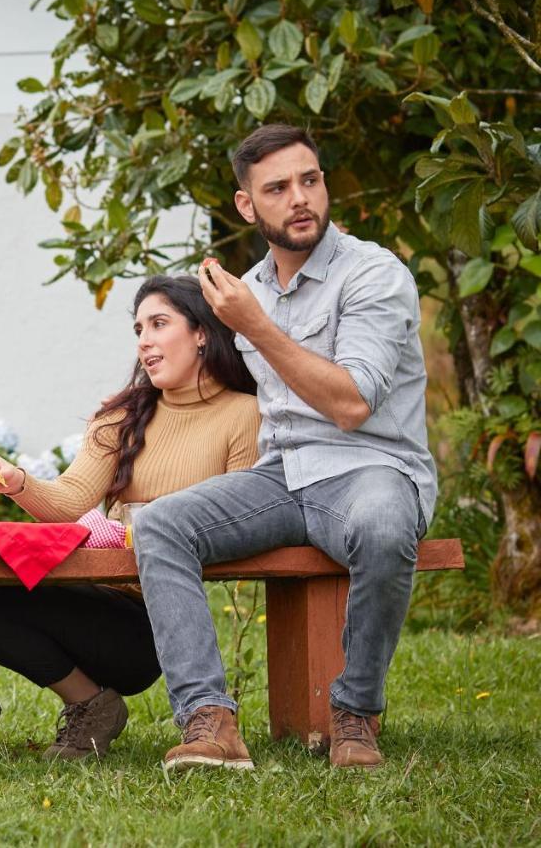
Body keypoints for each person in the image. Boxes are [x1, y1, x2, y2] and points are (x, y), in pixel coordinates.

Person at [136, 124, 437, 771]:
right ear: (247, 205)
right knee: (161, 523)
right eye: (277, 188)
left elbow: (353, 403)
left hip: (373, 470)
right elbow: (204, 380)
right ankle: (209, 721)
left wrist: (255, 326)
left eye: (310, 179)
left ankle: (355, 713)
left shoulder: (374, 276)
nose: (300, 197)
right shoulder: (248, 291)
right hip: (283, 476)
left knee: (386, 525)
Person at [0, 274, 260, 760]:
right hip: (86, 582)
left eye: (159, 324)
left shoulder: (244, 414)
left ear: (202, 332)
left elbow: (240, 518)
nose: (144, 341)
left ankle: (93, 707)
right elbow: (69, 499)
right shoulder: (125, 415)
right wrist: (18, 482)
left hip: (142, 623)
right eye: (139, 329)